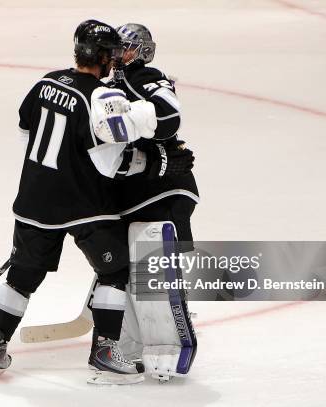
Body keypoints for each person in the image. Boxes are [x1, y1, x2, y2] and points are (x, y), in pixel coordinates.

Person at [0, 20, 164, 385]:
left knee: (21, 279)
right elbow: (116, 150)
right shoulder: (99, 97)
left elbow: (24, 131)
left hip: (33, 201)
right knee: (114, 272)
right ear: (106, 57)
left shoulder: (46, 82)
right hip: (82, 205)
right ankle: (106, 350)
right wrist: (148, 146)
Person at [109, 23, 199, 378]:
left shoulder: (144, 76)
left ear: (142, 50)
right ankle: (132, 328)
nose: (119, 56)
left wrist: (137, 132)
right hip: (138, 187)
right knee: (127, 259)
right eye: (117, 49)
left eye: (126, 48)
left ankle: (170, 328)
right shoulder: (111, 84)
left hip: (164, 187)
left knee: (156, 262)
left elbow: (169, 116)